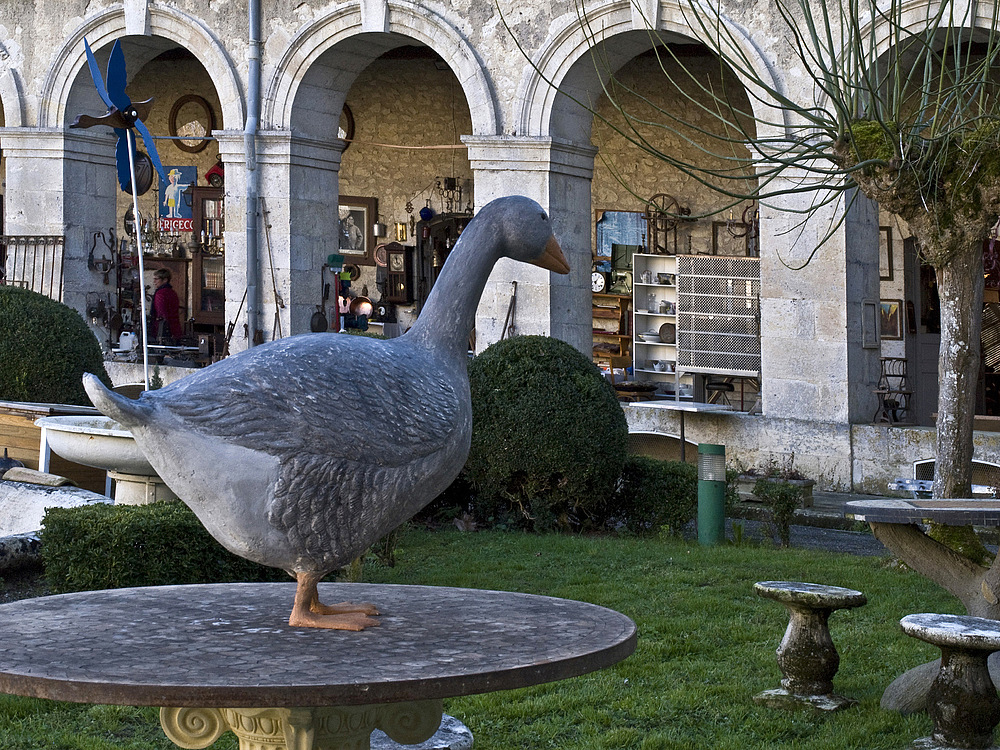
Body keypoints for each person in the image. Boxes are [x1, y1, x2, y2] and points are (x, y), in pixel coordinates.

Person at [150, 268, 183, 342]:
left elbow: (161, 314)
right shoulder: (172, 292)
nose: (154, 282)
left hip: (163, 330)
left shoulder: (160, 293)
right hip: (175, 327)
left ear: (165, 280)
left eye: (156, 279)